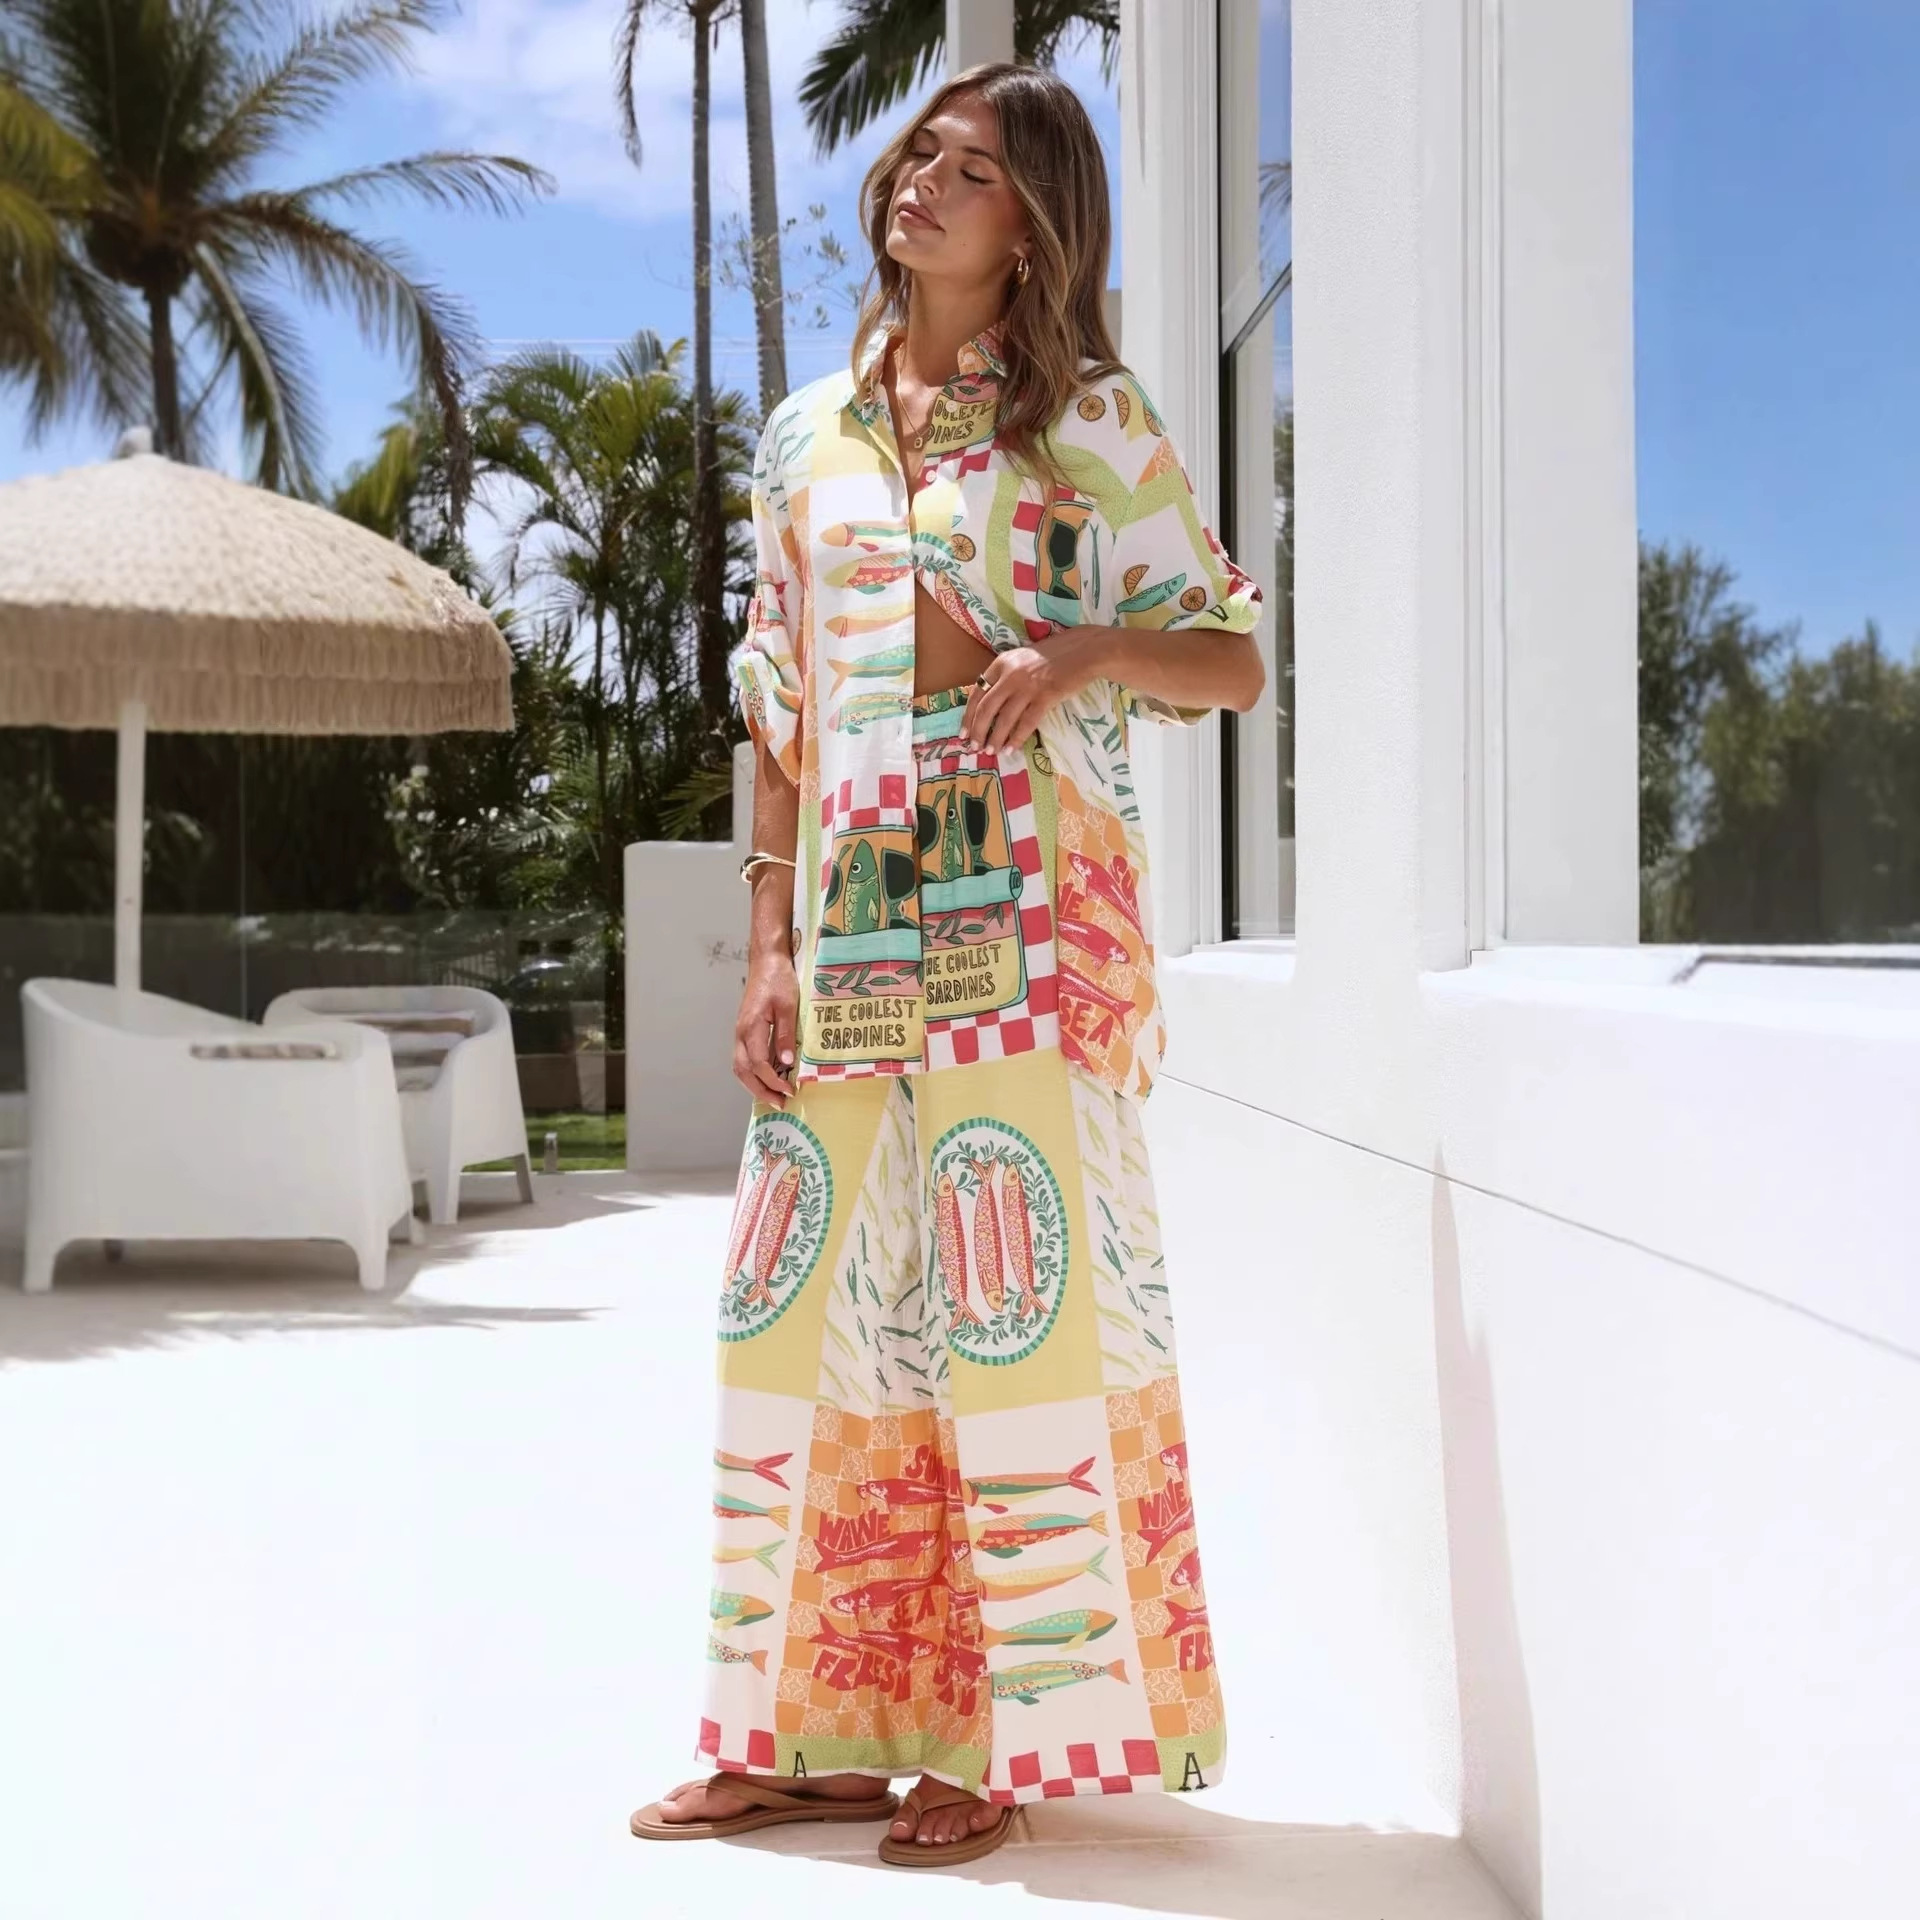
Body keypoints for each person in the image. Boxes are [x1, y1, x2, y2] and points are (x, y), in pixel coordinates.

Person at [630, 61, 1264, 1868]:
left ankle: (997, 1733)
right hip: (846, 931)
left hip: (1028, 927)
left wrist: (1077, 650)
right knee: (798, 1322)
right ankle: (798, 1735)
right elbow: (779, 706)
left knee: (1015, 1318)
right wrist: (762, 942)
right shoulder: (805, 432)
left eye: (971, 168)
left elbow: (1229, 657)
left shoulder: (1092, 426)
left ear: (1035, 227)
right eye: (921, 150)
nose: (923, 178)